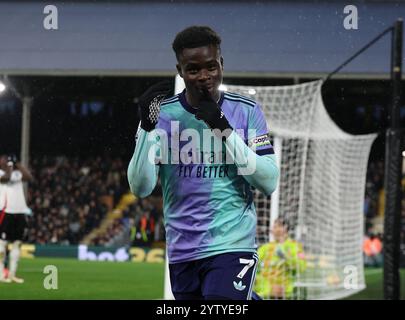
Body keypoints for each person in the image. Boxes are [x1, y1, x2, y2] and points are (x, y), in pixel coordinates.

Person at [127, 26, 279, 300]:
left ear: (221, 64)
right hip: (182, 251)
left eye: (211, 67)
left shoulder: (245, 111)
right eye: (193, 69)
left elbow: (269, 181)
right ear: (180, 70)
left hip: (232, 244)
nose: (204, 77)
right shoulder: (161, 115)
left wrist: (222, 129)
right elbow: (141, 187)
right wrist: (148, 129)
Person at [0, 154, 33, 283]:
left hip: (20, 211)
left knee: (17, 244)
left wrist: (17, 163)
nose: (5, 160)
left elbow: (29, 177)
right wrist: (10, 166)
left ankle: (12, 274)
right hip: (6, 211)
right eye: (3, 158)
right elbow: (6, 179)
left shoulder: (16, 173)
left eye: (6, 158)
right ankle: (1, 274)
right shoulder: (3, 173)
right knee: (2, 244)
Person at [254, 218, 306, 299]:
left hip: (285, 295)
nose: (275, 229)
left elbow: (301, 268)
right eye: (274, 227)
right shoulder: (266, 248)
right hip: (264, 294)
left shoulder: (295, 246)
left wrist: (286, 258)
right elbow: (253, 267)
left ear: (286, 229)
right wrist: (269, 288)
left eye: (279, 226)